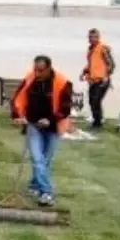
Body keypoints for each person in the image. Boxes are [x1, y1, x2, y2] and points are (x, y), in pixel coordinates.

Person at [11, 55, 73, 207]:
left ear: (49, 69)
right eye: (35, 69)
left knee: (46, 161)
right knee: (37, 159)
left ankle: (34, 185)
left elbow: (66, 108)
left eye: (40, 70)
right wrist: (17, 116)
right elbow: (17, 98)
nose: (37, 73)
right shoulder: (30, 79)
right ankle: (47, 192)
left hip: (53, 126)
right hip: (33, 125)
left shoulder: (62, 82)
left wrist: (50, 120)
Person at [80, 28, 115, 129]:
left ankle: (97, 123)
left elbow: (111, 64)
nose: (91, 39)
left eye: (94, 37)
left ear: (98, 38)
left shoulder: (103, 49)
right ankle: (96, 120)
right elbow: (92, 65)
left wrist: (106, 76)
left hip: (102, 81)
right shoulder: (91, 49)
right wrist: (84, 72)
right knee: (92, 101)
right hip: (93, 81)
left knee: (96, 100)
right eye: (90, 37)